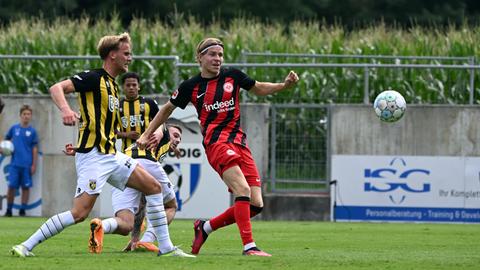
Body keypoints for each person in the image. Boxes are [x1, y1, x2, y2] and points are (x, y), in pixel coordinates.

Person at [11, 32, 191, 258]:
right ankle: (25, 246)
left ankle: (166, 248)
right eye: (126, 53)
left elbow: (103, 128)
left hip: (112, 155)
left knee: (154, 187)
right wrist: (66, 110)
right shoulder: (94, 78)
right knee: (79, 213)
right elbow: (56, 88)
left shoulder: (113, 86)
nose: (130, 58)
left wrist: (79, 145)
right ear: (112, 55)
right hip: (94, 158)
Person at [136, 37, 299, 257]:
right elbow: (166, 110)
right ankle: (249, 246)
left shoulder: (233, 75)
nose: (217, 59)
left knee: (256, 204)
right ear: (200, 58)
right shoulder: (191, 86)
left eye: (220, 55)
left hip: (240, 142)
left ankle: (205, 227)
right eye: (212, 54)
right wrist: (147, 134)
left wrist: (283, 85)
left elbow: (258, 88)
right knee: (242, 191)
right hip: (217, 143)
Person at [3, 104, 39, 217]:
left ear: (31, 116)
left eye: (28, 114)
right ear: (20, 115)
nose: (26, 116)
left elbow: (34, 149)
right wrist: (3, 149)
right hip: (14, 164)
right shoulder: (14, 129)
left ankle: (22, 210)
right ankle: (9, 210)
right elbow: (5, 141)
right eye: (24, 114)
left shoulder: (32, 131)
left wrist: (33, 164)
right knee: (11, 187)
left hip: (27, 165)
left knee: (26, 187)